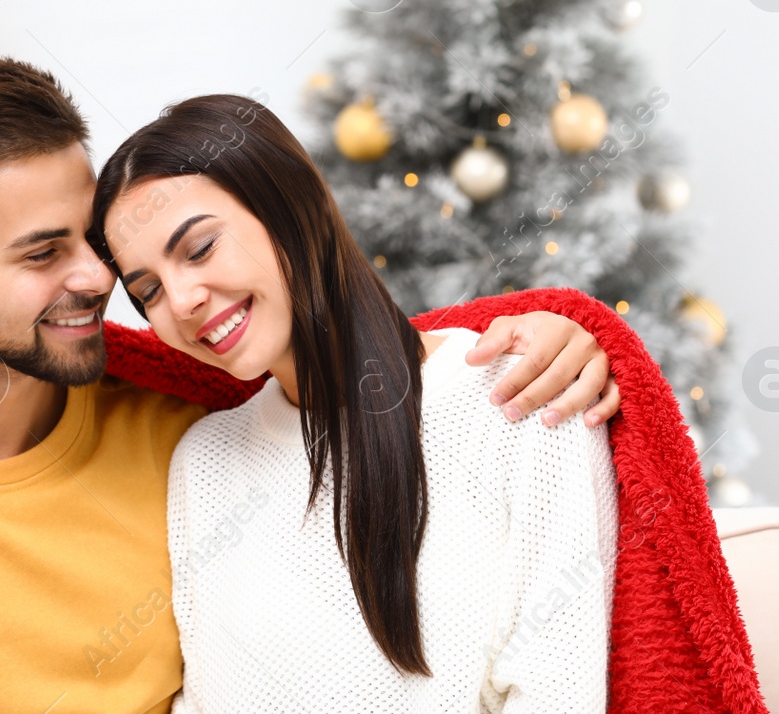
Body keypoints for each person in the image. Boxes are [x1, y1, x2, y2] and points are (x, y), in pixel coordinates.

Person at [0, 55, 629, 714]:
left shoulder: (173, 423)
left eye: (97, 249)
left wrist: (559, 323)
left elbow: (356, 359)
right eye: (43, 252)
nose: (95, 281)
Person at [92, 93, 618, 711]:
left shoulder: (522, 396)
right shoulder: (203, 463)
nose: (180, 302)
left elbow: (556, 693)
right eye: (147, 290)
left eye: (201, 248)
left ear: (292, 207)